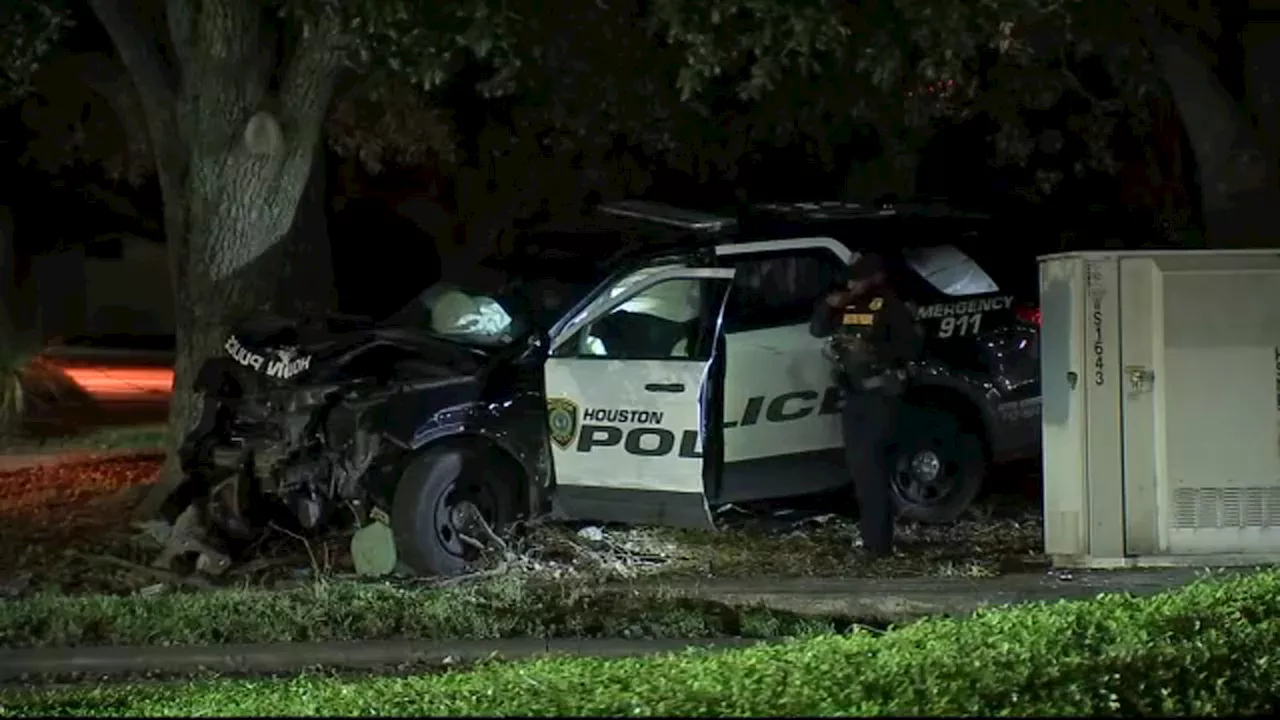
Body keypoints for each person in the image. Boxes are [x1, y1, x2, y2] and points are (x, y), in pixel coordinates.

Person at [809, 252, 922, 558]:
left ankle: (878, 546)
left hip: (880, 397)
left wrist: (871, 349)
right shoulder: (848, 303)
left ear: (877, 277)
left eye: (859, 277)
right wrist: (829, 305)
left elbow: (911, 347)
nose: (852, 282)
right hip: (854, 396)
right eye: (851, 277)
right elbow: (817, 329)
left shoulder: (891, 305)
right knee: (860, 472)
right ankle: (873, 540)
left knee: (871, 471)